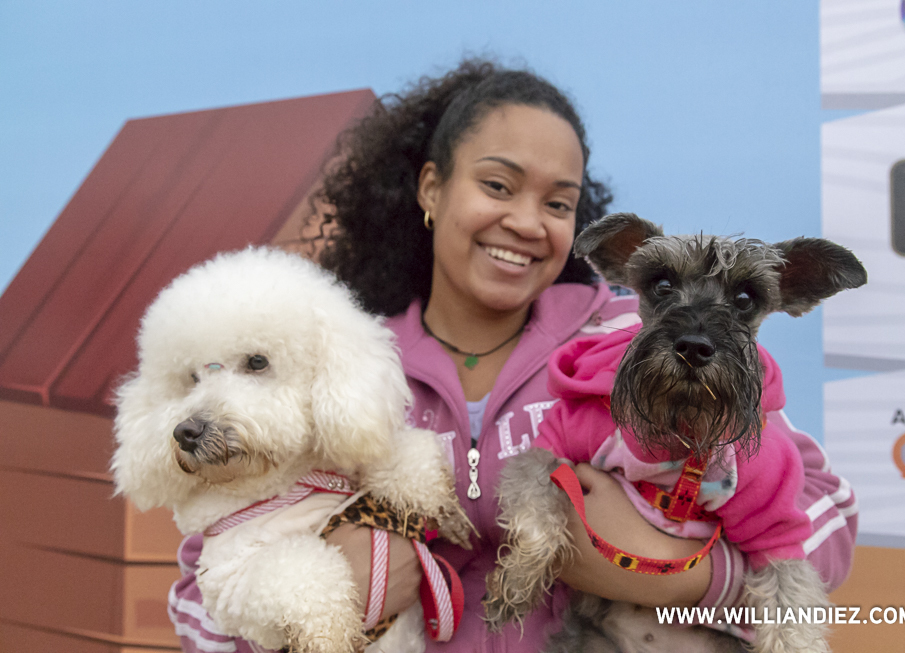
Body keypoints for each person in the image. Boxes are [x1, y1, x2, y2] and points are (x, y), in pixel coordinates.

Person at [169, 59, 857, 652]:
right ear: (432, 189)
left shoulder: (632, 342)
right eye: (498, 186)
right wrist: (319, 605)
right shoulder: (335, 363)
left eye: (558, 203)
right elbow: (201, 588)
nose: (527, 223)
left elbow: (828, 512)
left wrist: (686, 574)